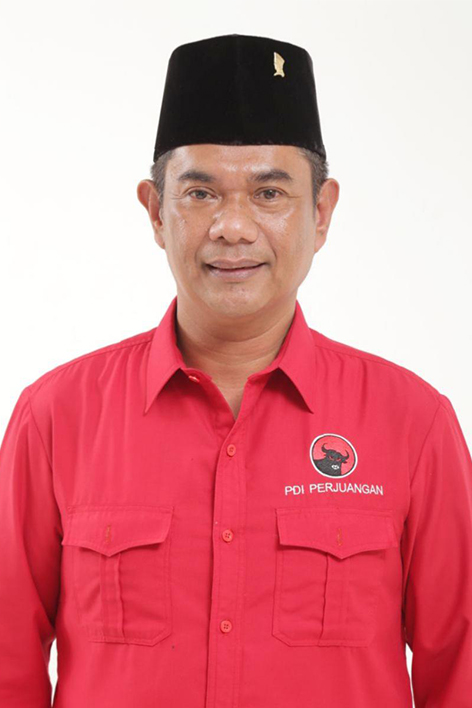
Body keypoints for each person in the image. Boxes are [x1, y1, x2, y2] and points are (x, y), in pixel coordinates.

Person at [0, 33, 471, 708]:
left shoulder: (414, 424)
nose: (233, 226)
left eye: (269, 192)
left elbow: (461, 671)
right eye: (200, 193)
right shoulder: (55, 417)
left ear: (321, 213)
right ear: (156, 211)